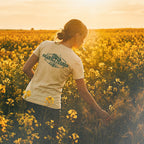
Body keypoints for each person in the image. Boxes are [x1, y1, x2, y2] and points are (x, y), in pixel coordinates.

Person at [22, 19, 111, 143]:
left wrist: (38, 81)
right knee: (47, 140)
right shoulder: (75, 60)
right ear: (77, 35)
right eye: (83, 37)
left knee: (29, 138)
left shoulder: (45, 45)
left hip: (30, 98)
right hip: (50, 107)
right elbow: (83, 91)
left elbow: (26, 68)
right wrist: (99, 111)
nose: (83, 41)